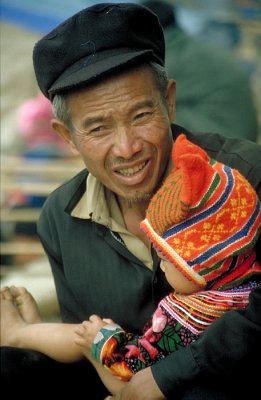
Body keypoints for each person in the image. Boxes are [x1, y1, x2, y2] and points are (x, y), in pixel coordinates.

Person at [1, 3, 261, 399]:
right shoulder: (60, 217)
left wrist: (165, 377)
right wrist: (31, 336)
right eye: (98, 128)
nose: (127, 148)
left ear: (169, 102)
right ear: (67, 136)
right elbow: (94, 350)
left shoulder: (243, 177)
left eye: (141, 115)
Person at [1, 134, 261, 395]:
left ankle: (22, 334)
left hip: (154, 385)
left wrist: (99, 344)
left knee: (85, 337)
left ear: (204, 264)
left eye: (169, 259)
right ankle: (34, 334)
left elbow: (131, 375)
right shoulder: (244, 286)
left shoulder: (186, 318)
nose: (161, 266)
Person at [141, 0, 259, 142]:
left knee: (149, 122)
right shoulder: (192, 47)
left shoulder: (169, 57)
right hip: (238, 133)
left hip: (226, 141)